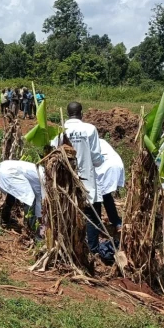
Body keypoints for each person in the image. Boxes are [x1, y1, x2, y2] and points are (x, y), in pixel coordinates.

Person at [51, 102, 113, 263]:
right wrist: (100, 161)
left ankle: (67, 245)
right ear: (81, 113)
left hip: (66, 182)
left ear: (67, 113)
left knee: (68, 212)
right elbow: (96, 158)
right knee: (92, 214)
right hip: (86, 179)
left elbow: (52, 154)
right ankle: (92, 249)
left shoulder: (59, 131)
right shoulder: (89, 129)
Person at [0, 160, 45, 236]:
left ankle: (5, 219)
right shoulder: (47, 179)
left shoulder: (42, 172)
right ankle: (32, 231)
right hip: (9, 172)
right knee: (29, 198)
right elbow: (36, 202)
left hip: (4, 167)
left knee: (13, 193)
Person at [96, 139, 126, 231]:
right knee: (106, 195)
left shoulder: (86, 142)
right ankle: (116, 222)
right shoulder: (99, 141)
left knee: (97, 198)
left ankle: (97, 224)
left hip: (105, 167)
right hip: (113, 165)